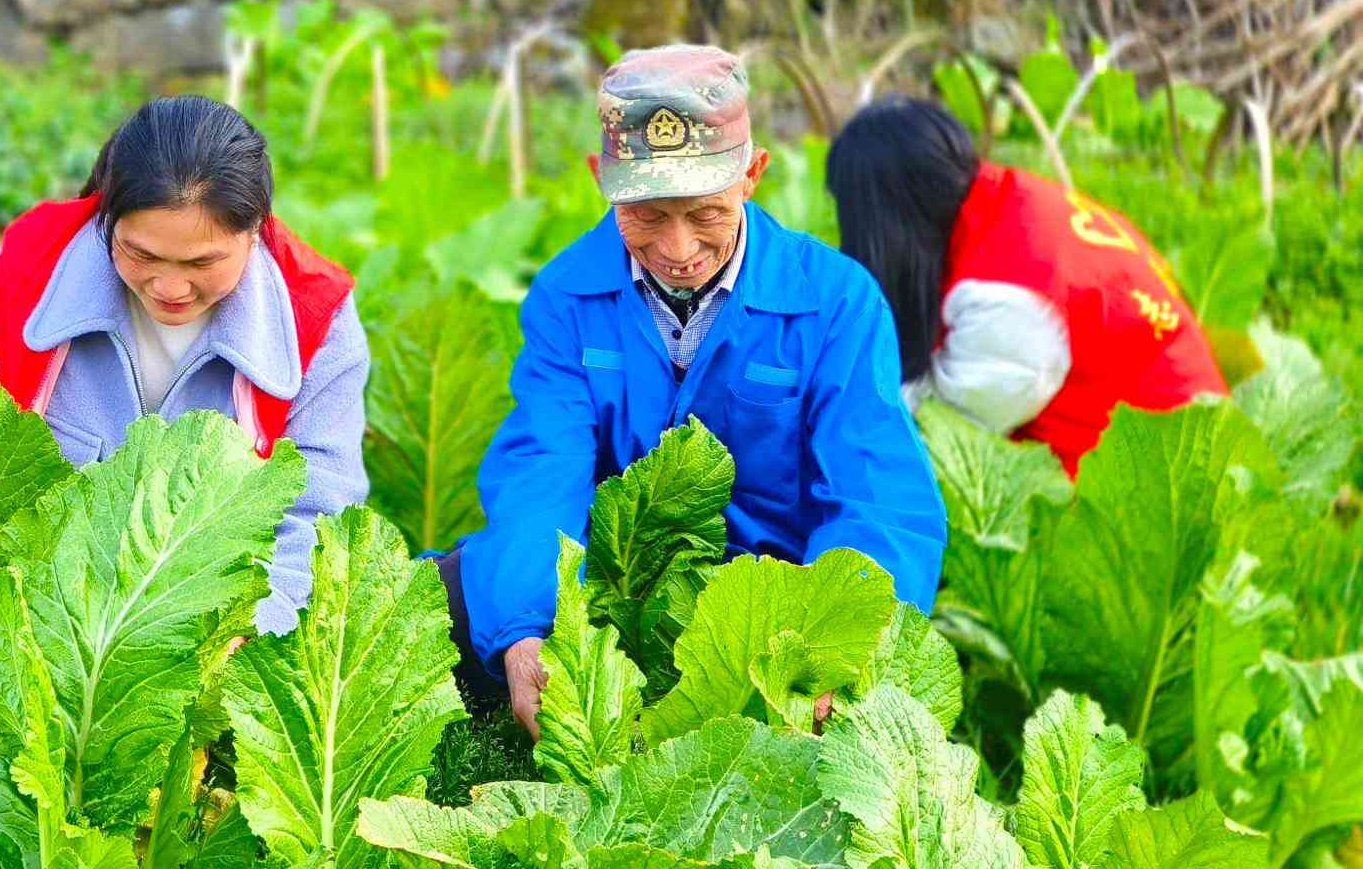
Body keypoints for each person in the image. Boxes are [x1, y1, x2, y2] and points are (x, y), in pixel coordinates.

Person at [438, 45, 947, 739]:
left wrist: (831, 644)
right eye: (646, 214)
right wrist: (531, 629)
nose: (678, 247)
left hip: (770, 616)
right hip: (617, 600)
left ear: (753, 175)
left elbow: (877, 497)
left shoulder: (835, 301)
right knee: (450, 596)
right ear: (602, 181)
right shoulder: (566, 293)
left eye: (705, 212)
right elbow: (541, 471)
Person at [0, 95, 370, 634]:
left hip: (203, 631)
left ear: (255, 232)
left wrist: (246, 642)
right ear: (106, 217)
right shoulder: (22, 280)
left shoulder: (319, 324)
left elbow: (315, 516)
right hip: (26, 618)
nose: (169, 287)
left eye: (201, 262)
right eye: (141, 255)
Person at [825, 94, 1228, 478]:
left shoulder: (1006, 296)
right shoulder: (1007, 204)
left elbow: (939, 435)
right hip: (1179, 438)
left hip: (1168, 483)